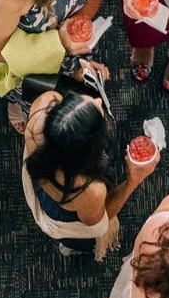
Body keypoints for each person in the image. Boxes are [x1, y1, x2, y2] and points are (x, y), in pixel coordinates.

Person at [18, 71, 157, 259]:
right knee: (83, 241)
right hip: (67, 208)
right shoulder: (90, 190)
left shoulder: (42, 108)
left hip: (42, 173)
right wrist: (133, 180)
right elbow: (97, 221)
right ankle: (74, 247)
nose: (98, 101)